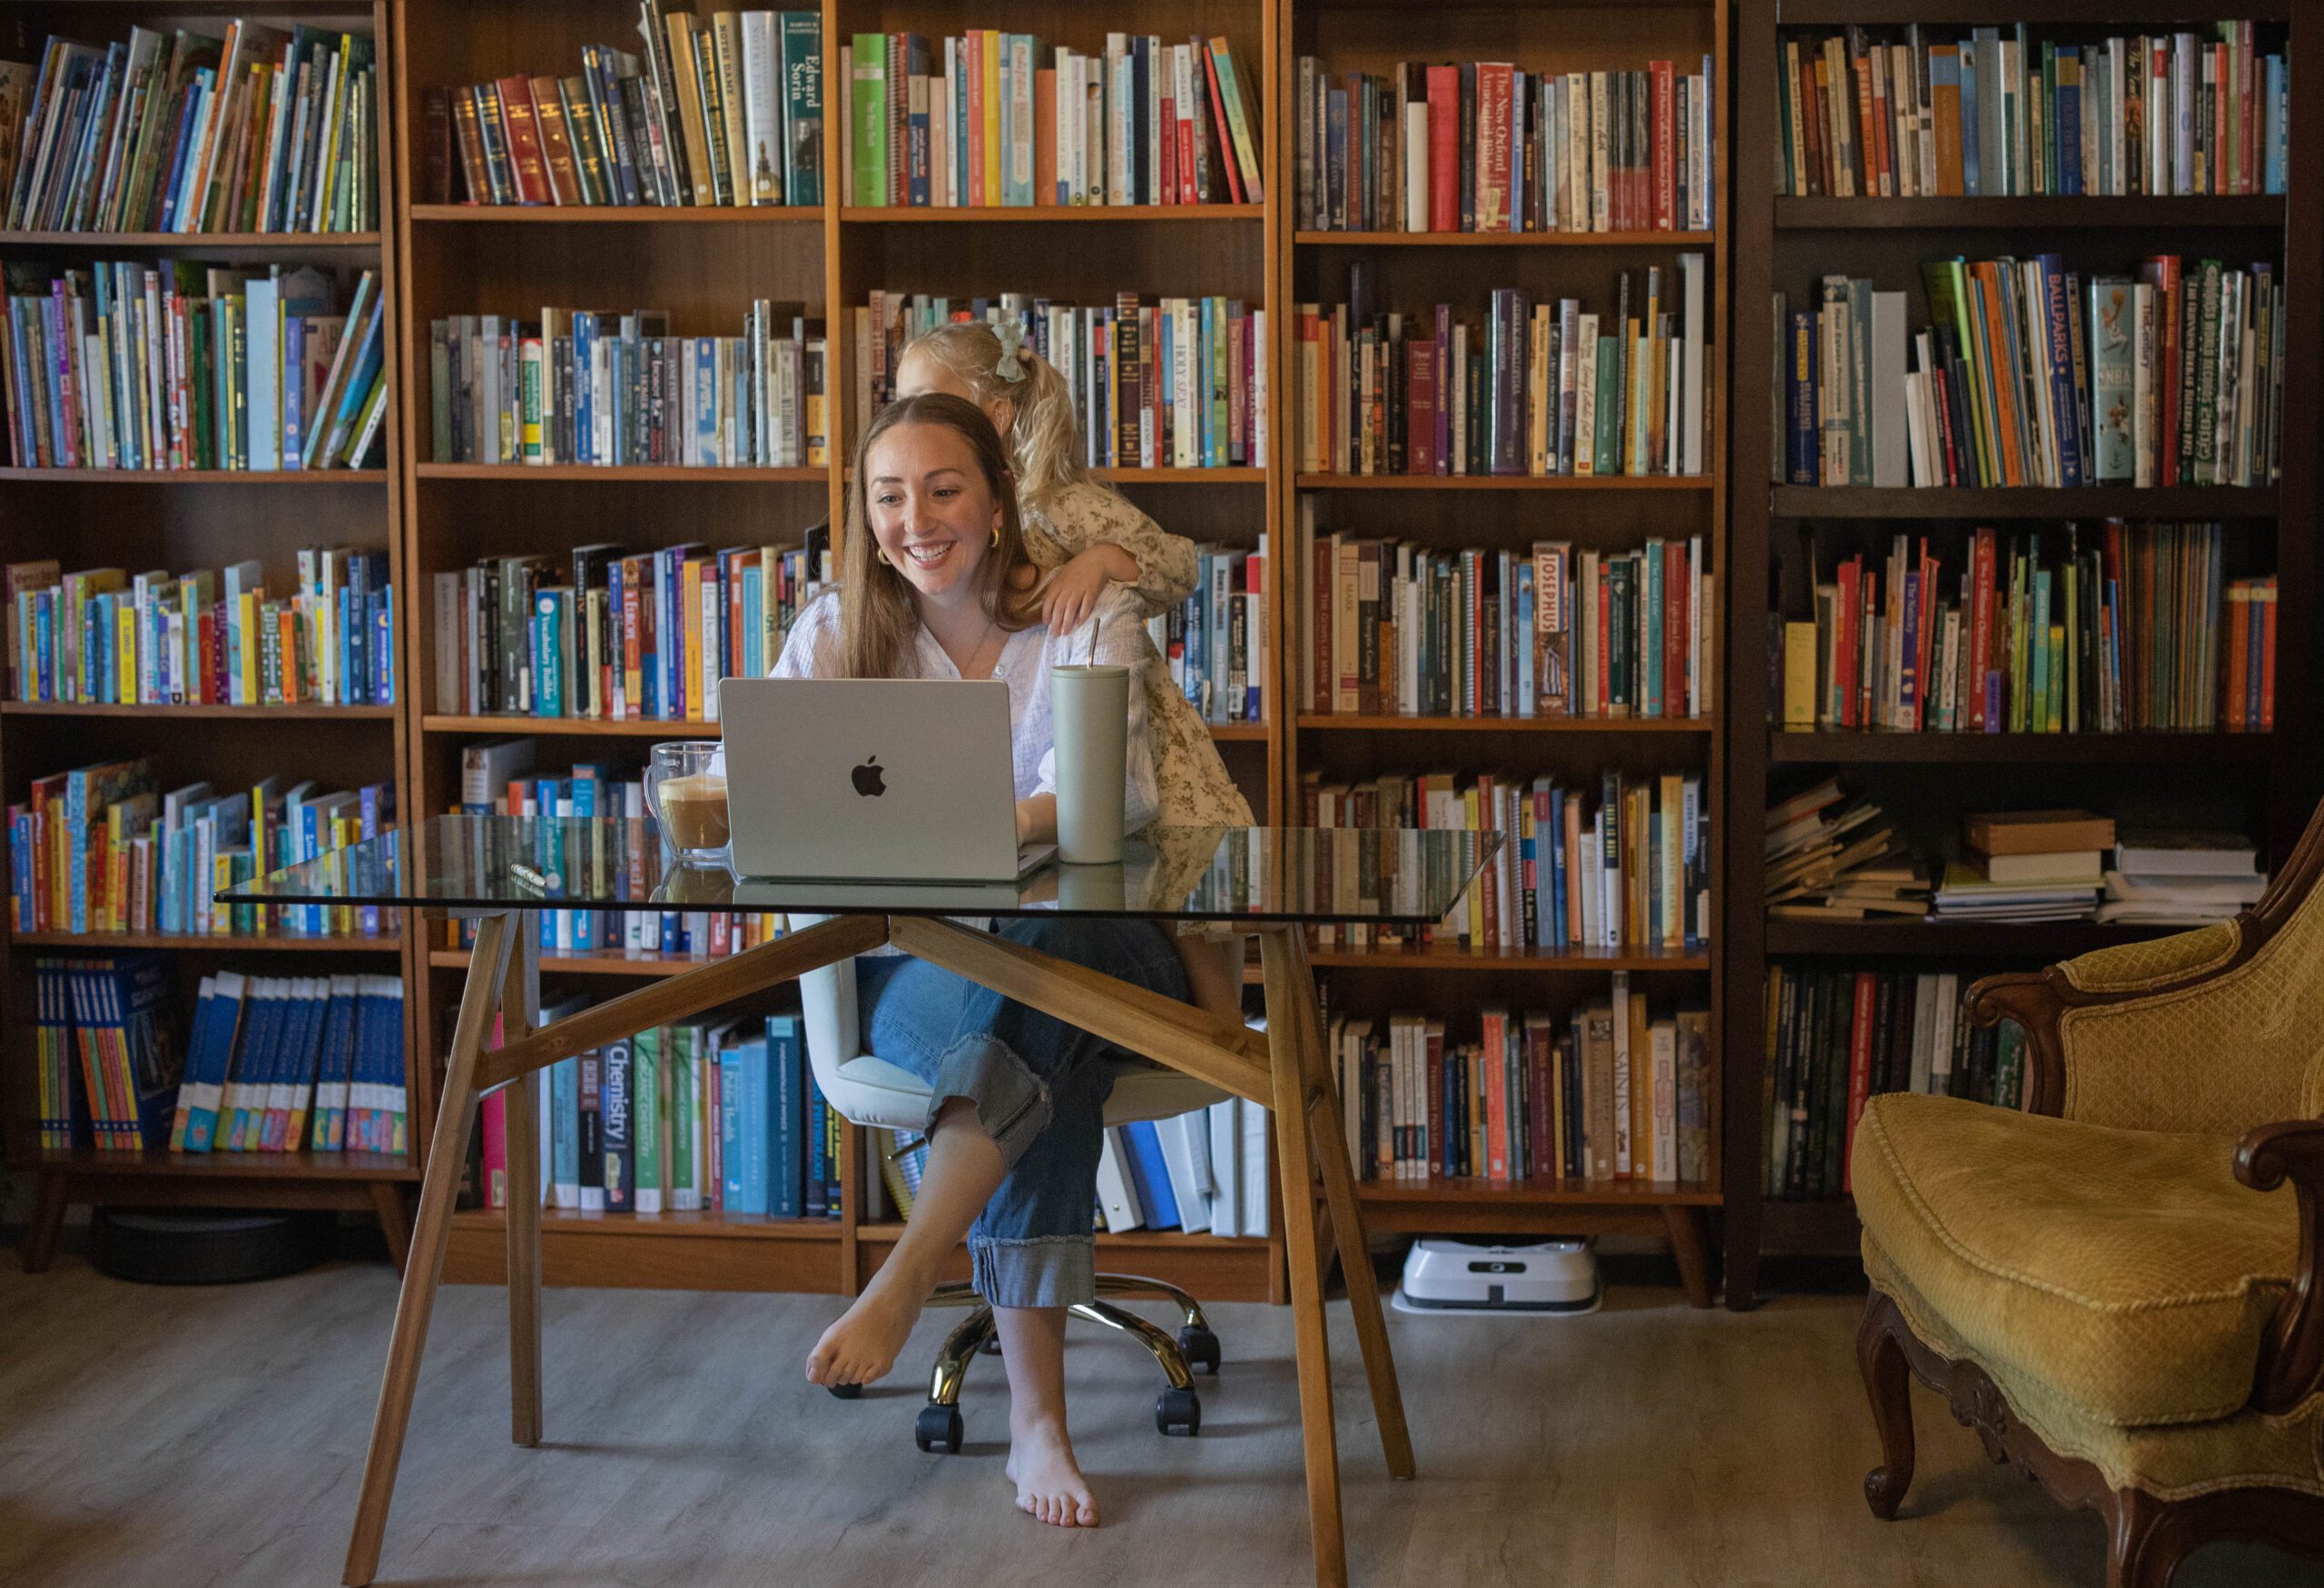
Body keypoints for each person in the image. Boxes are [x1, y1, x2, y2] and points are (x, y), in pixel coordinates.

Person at [779, 391, 1184, 1530]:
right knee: (1040, 1055)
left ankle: (909, 1272)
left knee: (1045, 956)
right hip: (915, 969)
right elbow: (771, 802)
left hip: (1096, 941)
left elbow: (1127, 793)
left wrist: (970, 828)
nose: (917, 518)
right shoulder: (828, 636)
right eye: (889, 495)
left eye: (944, 488)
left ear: (998, 504)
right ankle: (1038, 1427)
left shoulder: (1083, 609)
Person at [893, 321, 1251, 1025]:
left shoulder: (1061, 501)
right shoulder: (948, 517)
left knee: (1186, 898)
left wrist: (1104, 560)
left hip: (1138, 721)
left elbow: (1178, 562)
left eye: (930, 402)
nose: (911, 422)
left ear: (995, 415)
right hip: (1069, 718)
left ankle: (1226, 1044)